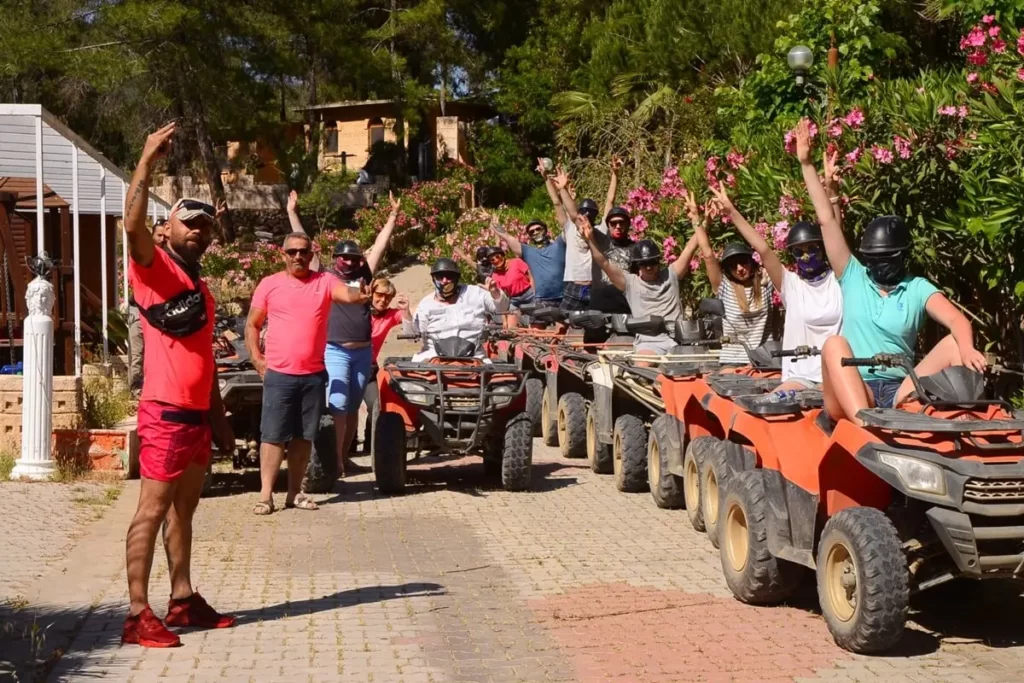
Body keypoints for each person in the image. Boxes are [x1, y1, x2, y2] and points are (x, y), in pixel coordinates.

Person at [121, 123, 236, 648]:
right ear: (166, 231)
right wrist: (146, 160)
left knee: (184, 511)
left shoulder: (201, 288)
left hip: (195, 418)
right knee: (151, 508)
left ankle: (183, 600)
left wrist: (220, 421)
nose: (199, 231)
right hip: (164, 412)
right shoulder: (152, 268)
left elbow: (205, 362)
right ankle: (137, 613)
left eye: (206, 226)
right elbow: (130, 222)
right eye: (189, 223)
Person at [792, 118, 986, 424]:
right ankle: (866, 425)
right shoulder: (853, 275)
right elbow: (827, 221)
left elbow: (955, 319)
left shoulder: (917, 287)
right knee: (833, 344)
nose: (879, 265)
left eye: (888, 258)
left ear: (903, 257)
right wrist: (806, 164)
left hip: (901, 387)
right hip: (854, 388)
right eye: (874, 258)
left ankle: (970, 419)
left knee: (954, 343)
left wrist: (968, 348)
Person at [246, 233, 369, 515]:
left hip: (313, 374)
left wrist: (359, 295)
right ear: (283, 254)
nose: (298, 256)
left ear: (311, 254)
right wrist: (257, 359)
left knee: (303, 437)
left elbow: (345, 293)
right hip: (279, 373)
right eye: (292, 252)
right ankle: (266, 495)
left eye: (303, 251)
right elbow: (252, 324)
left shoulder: (323, 282)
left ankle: (294, 494)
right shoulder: (270, 284)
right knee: (273, 436)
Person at [709, 183, 843, 390]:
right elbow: (762, 249)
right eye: (798, 252)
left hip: (837, 377)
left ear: (823, 249)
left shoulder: (840, 281)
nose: (806, 256)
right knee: (768, 408)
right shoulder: (791, 285)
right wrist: (732, 212)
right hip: (800, 377)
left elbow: (836, 237)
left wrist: (833, 196)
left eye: (812, 248)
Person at [322, 193, 401, 479]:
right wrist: (292, 212)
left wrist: (393, 216)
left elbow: (379, 246)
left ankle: (344, 457)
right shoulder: (326, 278)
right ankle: (334, 461)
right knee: (339, 405)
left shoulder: (364, 276)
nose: (349, 262)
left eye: (353, 258)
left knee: (353, 407)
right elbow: (304, 241)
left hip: (363, 352)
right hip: (336, 349)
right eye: (344, 257)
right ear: (335, 260)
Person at [579, 214, 700, 358]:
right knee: (641, 367)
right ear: (637, 265)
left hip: (678, 341)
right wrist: (590, 240)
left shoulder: (671, 274)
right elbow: (603, 262)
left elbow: (690, 247)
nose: (648, 267)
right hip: (649, 343)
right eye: (643, 264)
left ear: (658, 262)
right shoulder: (630, 283)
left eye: (652, 262)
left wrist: (700, 221)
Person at [687, 193, 773, 365]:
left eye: (743, 262)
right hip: (734, 360)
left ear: (752, 261)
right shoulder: (724, 287)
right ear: (727, 270)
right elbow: (708, 255)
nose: (740, 269)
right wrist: (697, 220)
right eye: (733, 265)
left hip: (766, 360)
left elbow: (766, 251)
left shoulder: (767, 282)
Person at [550, 159, 620, 312]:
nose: (587, 216)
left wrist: (615, 174)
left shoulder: (600, 230)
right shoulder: (572, 226)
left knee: (595, 328)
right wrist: (562, 189)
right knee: (563, 325)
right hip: (574, 286)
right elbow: (571, 212)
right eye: (584, 213)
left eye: (592, 214)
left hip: (595, 287)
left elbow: (610, 201)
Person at [404, 258, 508, 361]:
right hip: (434, 358)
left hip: (474, 357)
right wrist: (405, 313)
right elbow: (413, 337)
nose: (444, 281)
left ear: (456, 278)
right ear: (434, 278)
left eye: (449, 276)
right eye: (440, 276)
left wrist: (495, 292)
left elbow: (502, 307)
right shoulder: (426, 304)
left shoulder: (475, 293)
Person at [359, 277, 411, 454]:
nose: (383, 300)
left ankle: (370, 443)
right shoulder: (358, 310)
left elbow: (410, 323)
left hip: (369, 367)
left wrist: (406, 310)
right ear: (371, 293)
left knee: (376, 405)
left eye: (387, 297)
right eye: (379, 295)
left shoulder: (390, 315)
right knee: (345, 407)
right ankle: (347, 447)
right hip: (347, 364)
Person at [128, 219, 170, 396]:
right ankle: (135, 391)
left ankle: (155, 389)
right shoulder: (144, 256)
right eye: (158, 235)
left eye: (165, 236)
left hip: (160, 311)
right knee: (137, 353)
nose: (162, 239)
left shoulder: (171, 259)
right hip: (139, 310)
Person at [491, 218, 565, 307]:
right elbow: (508, 238)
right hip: (542, 299)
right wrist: (495, 226)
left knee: (564, 320)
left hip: (564, 296)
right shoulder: (528, 251)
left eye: (538, 229)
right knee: (534, 321)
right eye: (532, 232)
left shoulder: (558, 245)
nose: (535, 232)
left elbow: (568, 226)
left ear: (545, 229)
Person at [485, 245, 534, 310]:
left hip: (529, 294)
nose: (496, 260)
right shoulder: (495, 275)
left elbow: (531, 276)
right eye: (492, 260)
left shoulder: (516, 262)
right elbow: (501, 295)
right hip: (515, 300)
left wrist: (535, 292)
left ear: (502, 255)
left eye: (497, 257)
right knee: (510, 315)